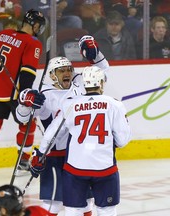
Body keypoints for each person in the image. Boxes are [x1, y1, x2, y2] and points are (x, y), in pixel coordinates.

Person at [16, 36, 109, 215]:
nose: (67, 72)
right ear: (51, 75)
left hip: (80, 154)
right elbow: (22, 119)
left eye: (69, 69)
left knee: (86, 202)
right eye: (61, 70)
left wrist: (94, 53)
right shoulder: (44, 96)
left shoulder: (80, 84)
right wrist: (24, 101)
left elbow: (102, 71)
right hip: (54, 157)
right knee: (53, 204)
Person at [30, 65, 131, 216]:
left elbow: (52, 133)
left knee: (73, 210)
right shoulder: (114, 105)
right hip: (105, 167)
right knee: (107, 210)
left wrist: (41, 154)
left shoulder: (70, 104)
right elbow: (122, 140)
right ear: (102, 83)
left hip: (75, 168)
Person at [0, 9, 46, 178]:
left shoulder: (4, 34)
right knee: (27, 125)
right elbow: (28, 71)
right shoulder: (33, 43)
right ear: (35, 25)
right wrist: (26, 93)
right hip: (15, 94)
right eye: (39, 26)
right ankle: (23, 162)